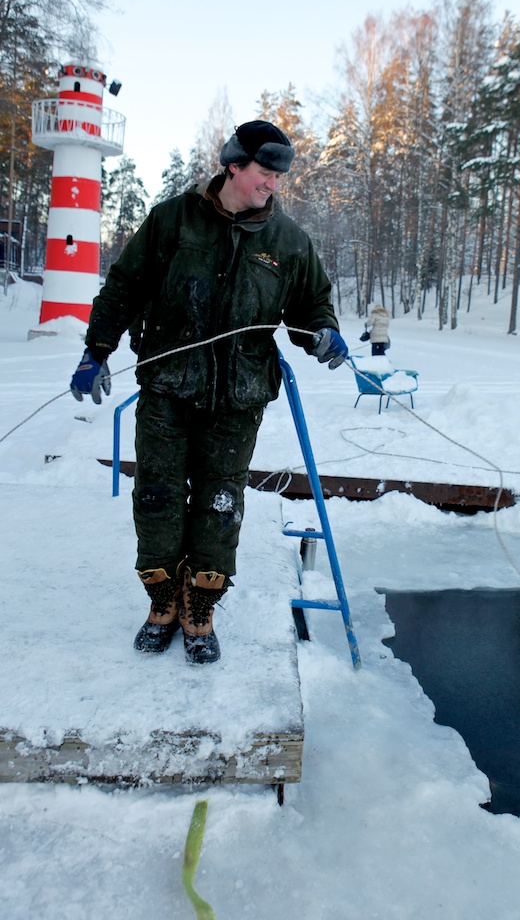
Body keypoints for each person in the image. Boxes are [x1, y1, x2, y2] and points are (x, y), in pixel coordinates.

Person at [70, 120, 348, 665]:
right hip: (168, 388)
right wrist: (95, 351)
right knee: (156, 495)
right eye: (265, 174)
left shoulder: (288, 241)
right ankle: (162, 602)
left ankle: (201, 607)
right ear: (234, 166)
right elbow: (125, 287)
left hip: (239, 398)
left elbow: (311, 306)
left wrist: (323, 332)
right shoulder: (172, 221)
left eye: (278, 177)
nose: (273, 185)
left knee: (220, 503)